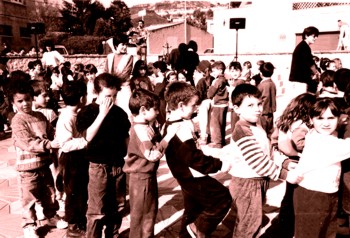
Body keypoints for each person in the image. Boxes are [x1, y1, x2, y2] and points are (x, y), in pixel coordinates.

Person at [229, 84, 301, 238]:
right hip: (247, 184)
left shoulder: (256, 125)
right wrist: (285, 175)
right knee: (249, 226)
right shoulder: (242, 130)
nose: (257, 109)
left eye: (259, 104)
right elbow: (258, 161)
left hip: (256, 182)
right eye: (250, 105)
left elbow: (268, 151)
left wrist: (286, 162)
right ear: (236, 109)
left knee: (249, 222)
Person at [163, 81, 232, 238]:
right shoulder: (180, 128)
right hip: (193, 176)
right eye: (194, 105)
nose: (197, 108)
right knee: (222, 198)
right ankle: (197, 230)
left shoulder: (174, 122)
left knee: (193, 209)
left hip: (185, 175)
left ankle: (186, 234)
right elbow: (193, 158)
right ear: (181, 106)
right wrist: (219, 164)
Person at [8, 79, 67, 238]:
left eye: (27, 99)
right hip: (27, 168)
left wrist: (59, 137)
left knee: (49, 193)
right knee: (29, 198)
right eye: (20, 101)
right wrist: (49, 144)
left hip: (43, 164)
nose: (25, 103)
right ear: (13, 102)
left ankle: (51, 216)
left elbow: (50, 132)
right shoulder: (18, 120)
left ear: (32, 98)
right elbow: (27, 143)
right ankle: (29, 225)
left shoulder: (40, 116)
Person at [76, 73, 131, 238]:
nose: (111, 100)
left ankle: (112, 235)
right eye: (107, 96)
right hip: (98, 167)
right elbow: (87, 136)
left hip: (118, 165)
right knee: (97, 210)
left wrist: (128, 159)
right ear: (97, 93)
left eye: (114, 96)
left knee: (118, 206)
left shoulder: (120, 113)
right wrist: (102, 114)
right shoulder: (87, 112)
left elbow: (125, 137)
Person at [123, 89, 178, 238]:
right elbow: (152, 155)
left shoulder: (144, 125)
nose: (158, 113)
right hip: (142, 179)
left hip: (145, 177)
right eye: (155, 109)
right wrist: (168, 139)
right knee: (143, 215)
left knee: (149, 211)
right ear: (143, 110)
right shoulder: (141, 130)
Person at [293, 97, 350, 238]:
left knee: (327, 231)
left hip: (327, 193)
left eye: (331, 118)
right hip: (312, 194)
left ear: (338, 118)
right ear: (311, 120)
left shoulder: (315, 133)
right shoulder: (324, 143)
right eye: (320, 118)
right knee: (310, 234)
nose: (326, 123)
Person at [273, 93, 316, 238]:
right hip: (297, 160)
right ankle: (287, 227)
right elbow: (299, 143)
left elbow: (275, 139)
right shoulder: (302, 126)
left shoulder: (287, 121)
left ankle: (284, 225)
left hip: (289, 160)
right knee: (293, 198)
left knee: (288, 197)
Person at [55, 81, 90, 237]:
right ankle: (73, 226)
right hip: (70, 159)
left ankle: (81, 220)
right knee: (73, 192)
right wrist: (86, 141)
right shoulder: (66, 117)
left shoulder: (78, 113)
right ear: (82, 97)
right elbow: (65, 144)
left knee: (81, 191)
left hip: (80, 157)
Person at [289, 26, 320, 95]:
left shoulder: (303, 46)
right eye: (314, 36)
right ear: (306, 35)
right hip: (299, 81)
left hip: (299, 80)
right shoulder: (304, 47)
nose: (316, 38)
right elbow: (310, 64)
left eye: (316, 36)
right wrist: (317, 74)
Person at [207, 61, 229, 148]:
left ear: (220, 70)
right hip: (224, 104)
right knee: (222, 123)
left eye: (214, 70)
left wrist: (210, 88)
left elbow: (210, 94)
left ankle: (217, 142)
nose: (213, 73)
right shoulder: (224, 79)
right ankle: (222, 140)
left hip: (218, 105)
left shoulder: (217, 81)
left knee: (215, 124)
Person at [195, 60, 213, 145]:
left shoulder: (201, 81)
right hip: (213, 101)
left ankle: (203, 137)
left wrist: (197, 104)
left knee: (203, 120)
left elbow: (199, 94)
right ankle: (210, 135)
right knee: (210, 120)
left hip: (204, 102)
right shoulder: (213, 78)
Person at [257, 62, 277, 138]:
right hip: (270, 111)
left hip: (263, 112)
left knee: (262, 132)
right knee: (269, 131)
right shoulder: (272, 84)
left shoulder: (261, 85)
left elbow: (257, 97)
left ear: (261, 73)